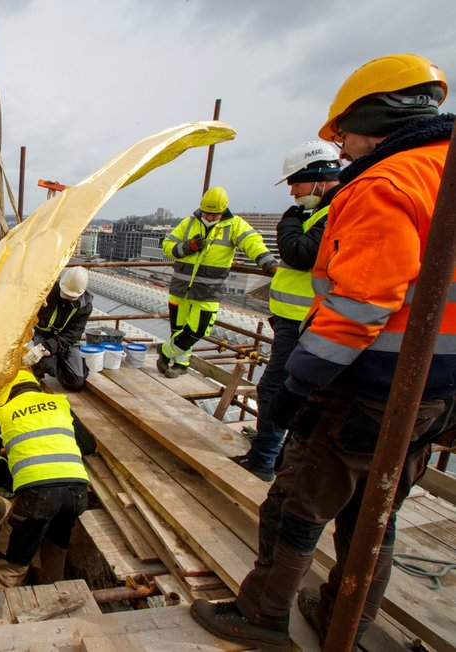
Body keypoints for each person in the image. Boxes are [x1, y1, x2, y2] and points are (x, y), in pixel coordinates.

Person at [191, 53, 456, 651]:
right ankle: (347, 620)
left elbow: (361, 305)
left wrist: (297, 386)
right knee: (375, 509)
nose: (344, 152)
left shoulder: (387, 182)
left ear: (375, 112)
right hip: (436, 393)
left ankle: (261, 617)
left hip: (367, 384)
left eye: (346, 135)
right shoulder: (445, 170)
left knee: (297, 504)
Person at [230, 142, 342, 482]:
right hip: (295, 320)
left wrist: (291, 220)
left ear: (320, 177)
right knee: (293, 393)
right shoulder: (319, 211)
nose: (292, 192)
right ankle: (277, 459)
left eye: (296, 182)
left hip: (308, 322)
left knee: (277, 391)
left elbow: (299, 254)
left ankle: (266, 459)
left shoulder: (332, 211)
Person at [0, 369, 89, 588]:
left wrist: (8, 450)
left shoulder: (5, 411)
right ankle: (52, 589)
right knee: (57, 544)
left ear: (7, 392)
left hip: (37, 495)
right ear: (35, 386)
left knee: (11, 558)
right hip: (76, 492)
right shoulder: (60, 403)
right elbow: (88, 445)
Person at [159, 187, 278, 378]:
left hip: (208, 291)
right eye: (207, 213)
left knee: (197, 330)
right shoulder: (189, 223)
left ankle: (165, 351)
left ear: (223, 211)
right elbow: (167, 246)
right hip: (180, 288)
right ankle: (180, 363)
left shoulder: (235, 225)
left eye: (215, 214)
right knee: (179, 330)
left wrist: (268, 263)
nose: (211, 217)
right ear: (201, 208)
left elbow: (253, 243)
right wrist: (188, 247)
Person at [21, 266, 93, 391]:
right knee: (41, 363)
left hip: (66, 342)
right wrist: (35, 304)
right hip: (44, 336)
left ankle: (57, 361)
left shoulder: (84, 307)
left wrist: (45, 349)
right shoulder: (47, 292)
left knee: (76, 382)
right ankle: (46, 366)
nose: (66, 297)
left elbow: (72, 334)